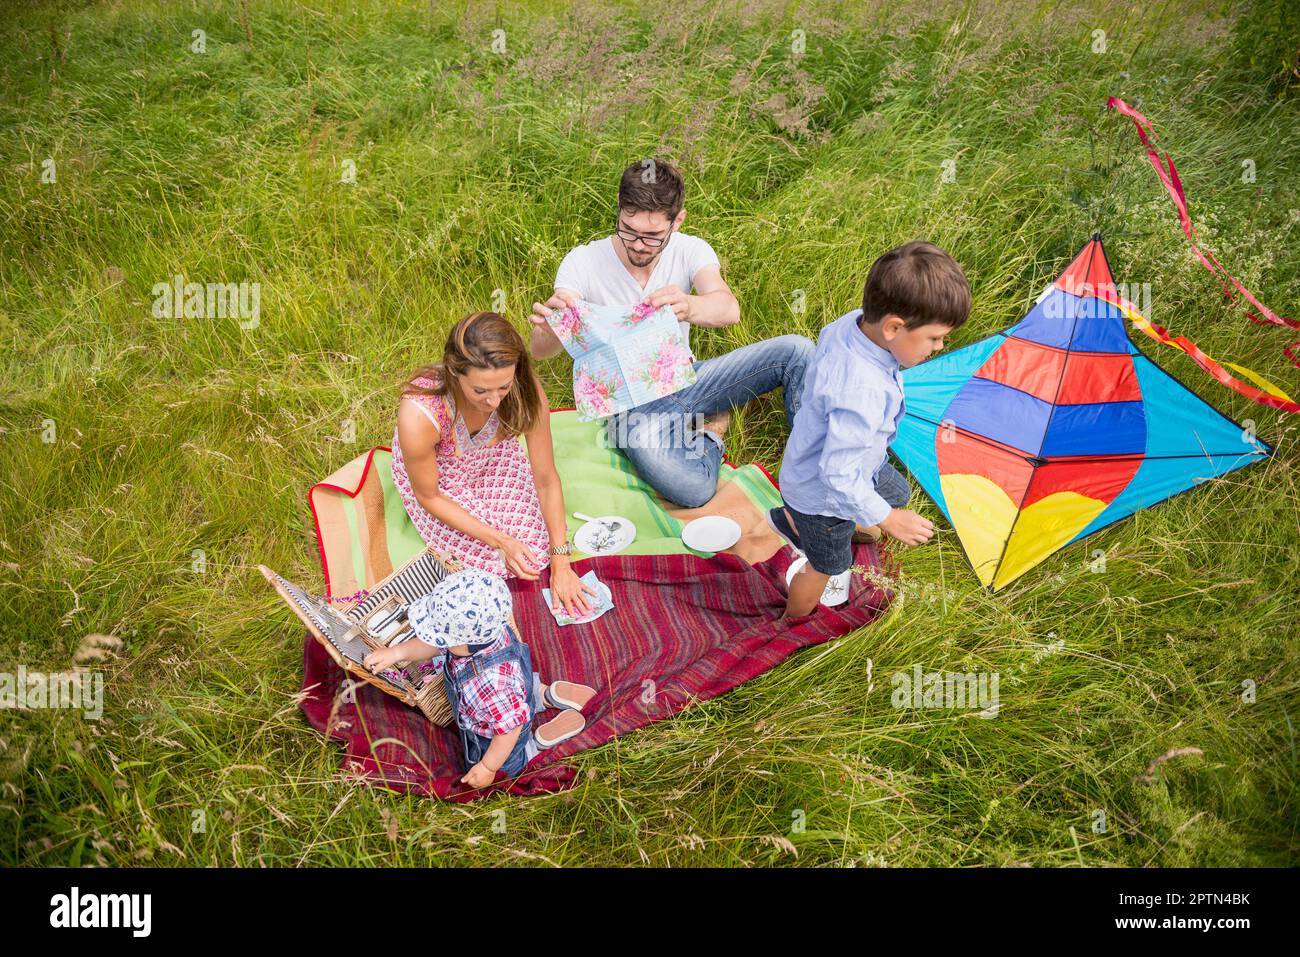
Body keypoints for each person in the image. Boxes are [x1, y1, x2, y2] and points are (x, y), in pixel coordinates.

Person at [529, 158, 813, 508]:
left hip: (689, 378)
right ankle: (710, 433)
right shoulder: (582, 262)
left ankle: (815, 477)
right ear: (619, 209)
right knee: (692, 491)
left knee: (798, 350)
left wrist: (689, 306)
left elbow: (729, 308)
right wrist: (550, 329)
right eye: (628, 229)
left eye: (651, 237)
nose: (637, 245)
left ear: (677, 221)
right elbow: (541, 351)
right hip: (630, 408)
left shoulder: (690, 250)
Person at [768, 241, 971, 618]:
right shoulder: (861, 393)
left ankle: (838, 521)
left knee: (899, 491)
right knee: (828, 564)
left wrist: (884, 511)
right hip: (821, 497)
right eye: (934, 338)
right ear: (894, 326)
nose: (941, 347)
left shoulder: (855, 322)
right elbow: (837, 476)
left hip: (850, 463)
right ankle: (791, 619)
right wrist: (889, 519)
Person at [391, 311, 597, 617]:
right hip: (442, 478)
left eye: (503, 387)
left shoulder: (524, 391)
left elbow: (545, 478)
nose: (494, 401)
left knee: (535, 553)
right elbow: (429, 496)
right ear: (454, 372)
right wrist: (501, 540)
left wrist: (561, 559)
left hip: (493, 457)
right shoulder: (420, 414)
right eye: (480, 391)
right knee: (494, 563)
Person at [363, 569, 597, 787]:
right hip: (514, 690)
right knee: (519, 694)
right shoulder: (484, 631)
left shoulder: (491, 685)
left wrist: (487, 766)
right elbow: (435, 645)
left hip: (506, 732)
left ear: (459, 641)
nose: (437, 642)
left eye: (441, 637)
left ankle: (532, 746)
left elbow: (508, 730)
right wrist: (396, 652)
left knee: (507, 763)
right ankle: (541, 694)